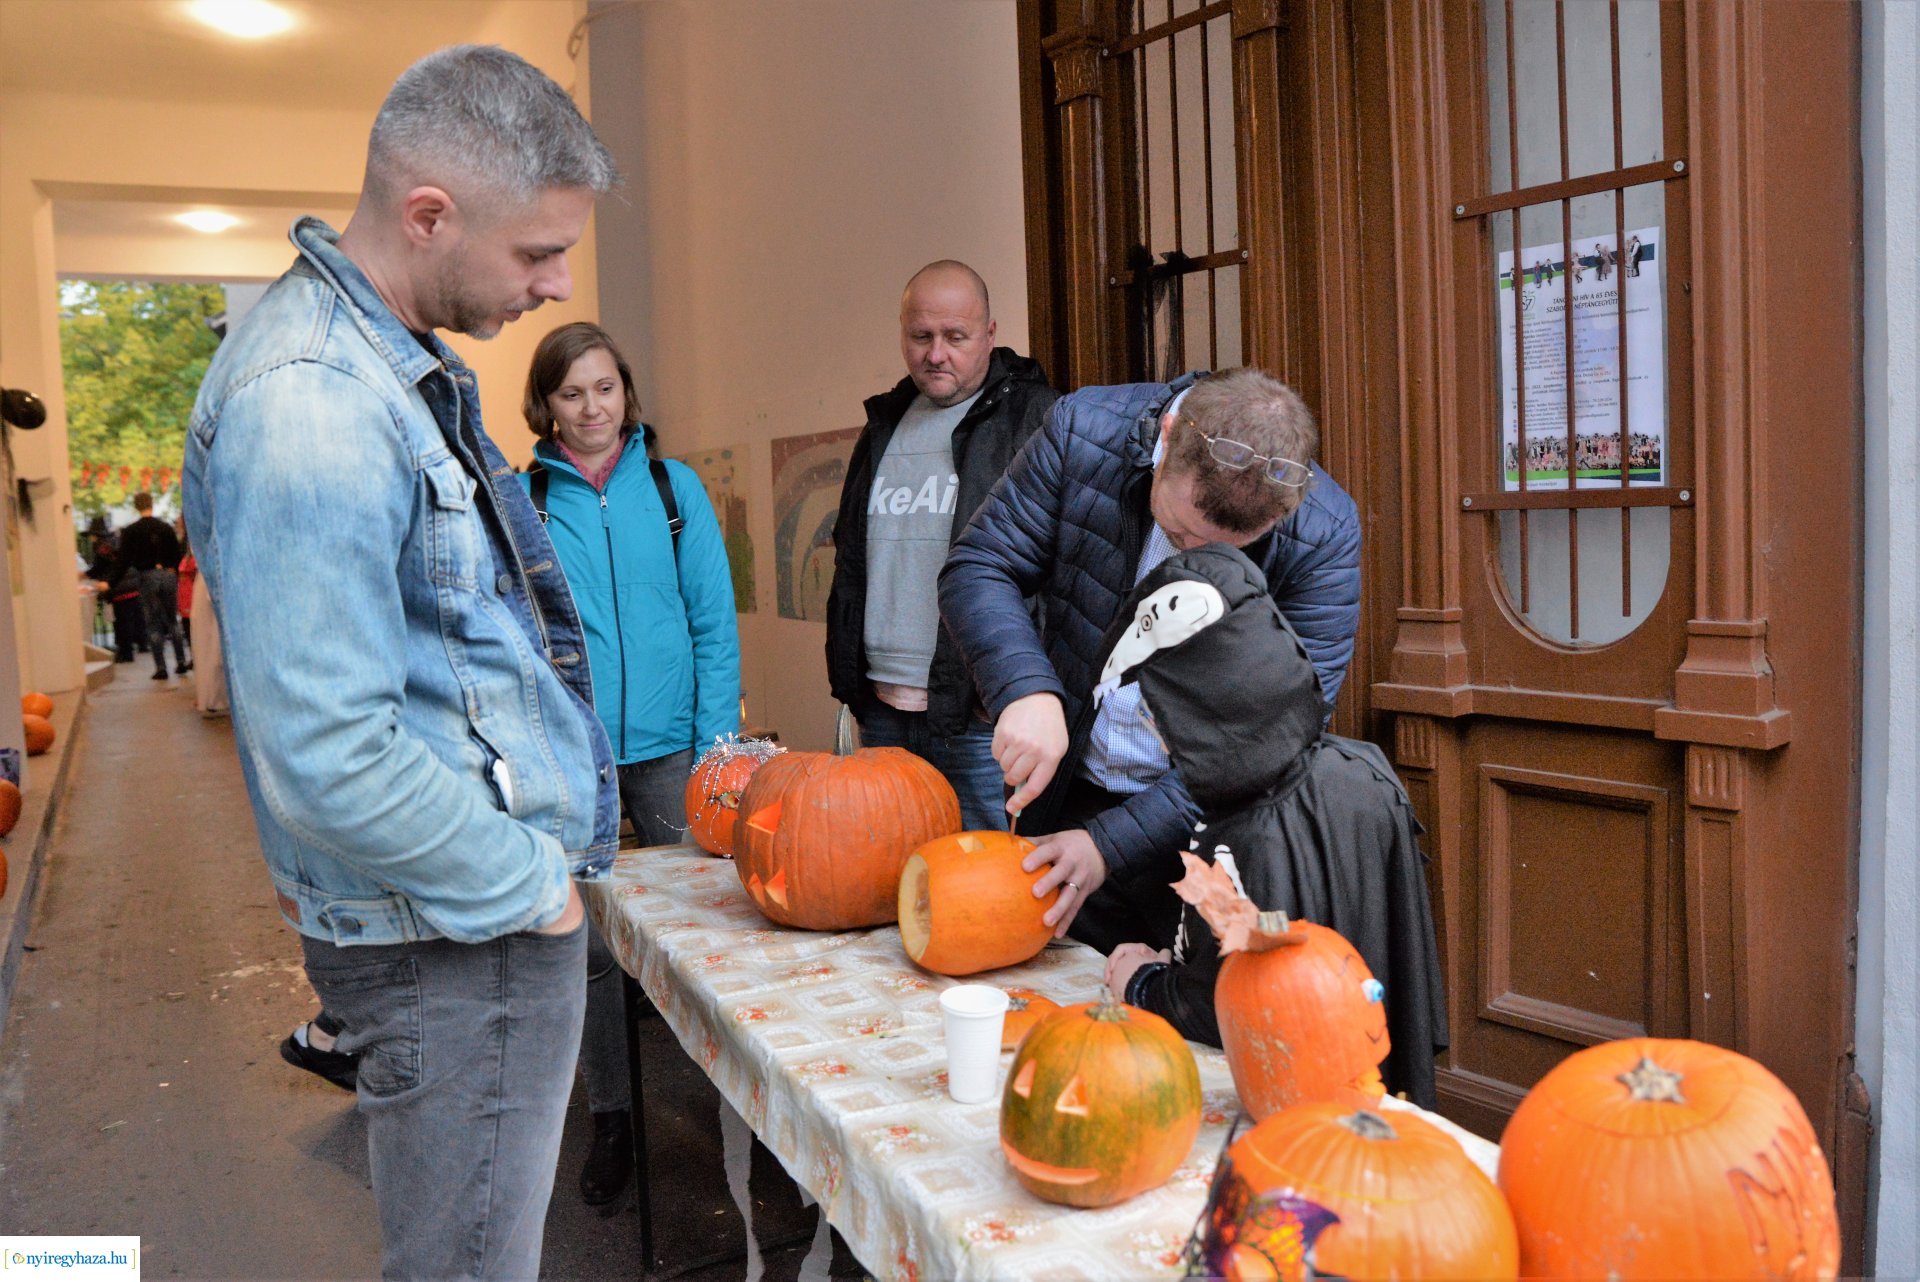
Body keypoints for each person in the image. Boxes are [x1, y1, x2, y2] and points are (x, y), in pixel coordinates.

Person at [182, 45, 621, 1280]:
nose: (558, 282)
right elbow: (329, 751)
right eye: (537, 252)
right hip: (455, 943)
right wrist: (534, 885)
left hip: (454, 928)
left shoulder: (373, 364)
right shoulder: (316, 400)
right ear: (430, 215)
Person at [939, 367, 1362, 955]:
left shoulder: (1324, 532)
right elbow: (981, 565)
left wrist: (1108, 846)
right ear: (1166, 436)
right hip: (1070, 797)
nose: (1194, 564)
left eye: (1227, 555)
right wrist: (1024, 688)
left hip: (1209, 829)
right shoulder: (1083, 430)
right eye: (1181, 535)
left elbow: (1273, 737)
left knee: (1199, 999)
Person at [1089, 543, 1446, 1108]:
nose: (1156, 728)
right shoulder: (1360, 768)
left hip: (1301, 1104)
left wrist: (1142, 983)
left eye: (1159, 710)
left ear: (1199, 711)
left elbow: (1232, 1005)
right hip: (1368, 1069)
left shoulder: (1247, 836)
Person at [520, 319, 740, 1205]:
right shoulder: (524, 501)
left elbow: (712, 625)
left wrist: (716, 752)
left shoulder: (674, 488)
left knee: (706, 932)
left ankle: (735, 1100)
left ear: (626, 391)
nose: (591, 409)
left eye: (604, 388)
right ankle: (612, 1115)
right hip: (574, 759)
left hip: (673, 750)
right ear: (546, 404)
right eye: (571, 393)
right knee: (591, 950)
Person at [825, 261, 1058, 829]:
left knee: (990, 871)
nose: (935, 354)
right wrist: (853, 682)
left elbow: (1063, 566)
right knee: (887, 866)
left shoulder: (1037, 418)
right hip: (883, 707)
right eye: (920, 336)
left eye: (955, 337)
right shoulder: (883, 424)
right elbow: (853, 560)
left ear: (990, 334)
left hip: (983, 713)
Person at [117, 492, 190, 681]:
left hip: (147, 576)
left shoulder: (131, 531)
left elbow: (124, 560)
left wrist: (110, 582)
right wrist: (172, 569)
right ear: (152, 504)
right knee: (172, 620)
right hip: (168, 575)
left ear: (136, 506)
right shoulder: (165, 528)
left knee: (153, 622)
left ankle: (161, 667)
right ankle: (181, 661)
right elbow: (177, 554)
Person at [84, 535, 144, 663]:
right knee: (131, 621)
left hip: (119, 590)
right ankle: (137, 645)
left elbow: (98, 570)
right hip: (131, 587)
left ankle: (126, 653)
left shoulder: (103, 550)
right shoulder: (118, 543)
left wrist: (90, 577)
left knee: (122, 623)